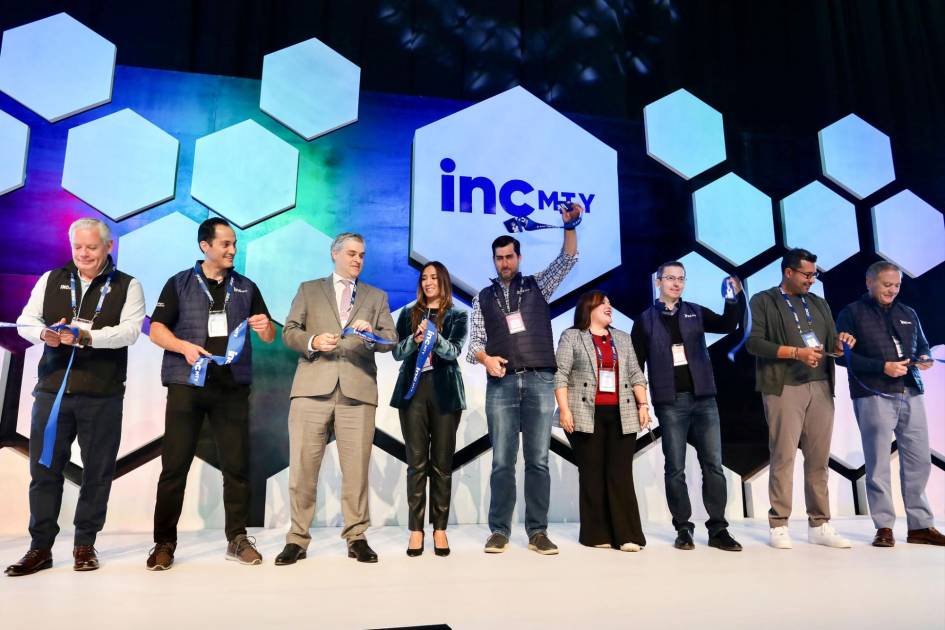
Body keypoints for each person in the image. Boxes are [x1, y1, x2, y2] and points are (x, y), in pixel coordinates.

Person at [5, 218, 145, 577]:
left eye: (91, 247)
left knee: (97, 472)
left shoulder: (127, 285)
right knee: (44, 471)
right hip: (53, 393)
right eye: (78, 247)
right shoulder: (51, 279)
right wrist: (43, 334)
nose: (83, 254)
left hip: (102, 395)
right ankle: (40, 548)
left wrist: (85, 336)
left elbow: (129, 332)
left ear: (108, 247)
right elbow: (26, 320)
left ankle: (85, 544)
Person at [146, 217, 275, 570]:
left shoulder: (246, 287)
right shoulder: (179, 283)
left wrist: (265, 328)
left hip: (231, 387)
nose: (233, 250)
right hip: (187, 384)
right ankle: (164, 543)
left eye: (234, 244)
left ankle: (237, 538)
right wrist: (183, 347)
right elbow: (156, 330)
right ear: (205, 246)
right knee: (174, 466)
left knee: (236, 466)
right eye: (225, 244)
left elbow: (268, 337)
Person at [466, 203, 582, 555]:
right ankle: (499, 531)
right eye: (499, 258)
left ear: (519, 257)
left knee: (538, 461)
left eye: (509, 257)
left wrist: (570, 226)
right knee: (502, 461)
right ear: (494, 261)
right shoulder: (482, 298)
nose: (504, 263)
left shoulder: (537, 286)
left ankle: (538, 532)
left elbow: (567, 259)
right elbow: (474, 345)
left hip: (539, 381)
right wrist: (486, 359)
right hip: (501, 384)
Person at [275, 232, 397, 565]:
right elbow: (289, 331)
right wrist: (313, 341)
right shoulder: (309, 290)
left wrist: (370, 335)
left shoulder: (376, 296)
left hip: (358, 392)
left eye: (362, 255)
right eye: (352, 253)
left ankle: (356, 537)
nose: (358, 260)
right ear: (335, 253)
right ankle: (297, 538)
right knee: (303, 468)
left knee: (356, 470)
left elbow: (391, 340)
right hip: (311, 389)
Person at [630, 260, 743, 552]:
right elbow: (635, 367)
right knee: (675, 469)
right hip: (670, 402)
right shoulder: (644, 320)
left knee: (713, 465)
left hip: (704, 398)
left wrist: (732, 298)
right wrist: (640, 404)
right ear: (658, 282)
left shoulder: (695, 311)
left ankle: (718, 529)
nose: (676, 283)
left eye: (681, 278)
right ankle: (683, 528)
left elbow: (728, 324)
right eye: (670, 278)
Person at [746, 248, 856, 549]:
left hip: (820, 385)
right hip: (784, 387)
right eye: (807, 274)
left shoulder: (818, 303)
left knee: (819, 459)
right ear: (788, 272)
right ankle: (779, 523)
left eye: (814, 275)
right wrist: (796, 352)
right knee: (783, 456)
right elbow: (754, 343)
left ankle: (819, 524)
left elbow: (830, 344)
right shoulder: (763, 300)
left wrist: (841, 343)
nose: (811, 280)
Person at [836, 261, 944, 547]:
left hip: (911, 391)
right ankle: (884, 526)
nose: (892, 290)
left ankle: (920, 526)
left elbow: (922, 345)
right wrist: (882, 367)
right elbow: (843, 357)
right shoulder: (851, 313)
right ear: (869, 282)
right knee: (878, 462)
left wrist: (924, 358)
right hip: (874, 394)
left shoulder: (908, 312)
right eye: (887, 285)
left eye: (897, 285)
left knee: (919, 460)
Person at [555, 291, 649, 551]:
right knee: (592, 474)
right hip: (584, 414)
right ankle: (596, 535)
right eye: (603, 303)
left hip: (623, 413)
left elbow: (636, 374)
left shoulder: (623, 338)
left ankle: (627, 535)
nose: (609, 306)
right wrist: (564, 410)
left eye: (610, 303)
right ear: (589, 308)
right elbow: (561, 375)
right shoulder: (572, 336)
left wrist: (643, 404)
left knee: (620, 474)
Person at [390, 261, 468, 557]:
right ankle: (415, 530)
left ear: (443, 281)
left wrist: (435, 338)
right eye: (424, 278)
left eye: (434, 277)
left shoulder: (458, 314)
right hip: (413, 392)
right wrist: (416, 339)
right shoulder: (408, 313)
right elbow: (397, 352)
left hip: (445, 392)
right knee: (416, 464)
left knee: (442, 465)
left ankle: (440, 529)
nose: (428, 282)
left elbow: (454, 351)